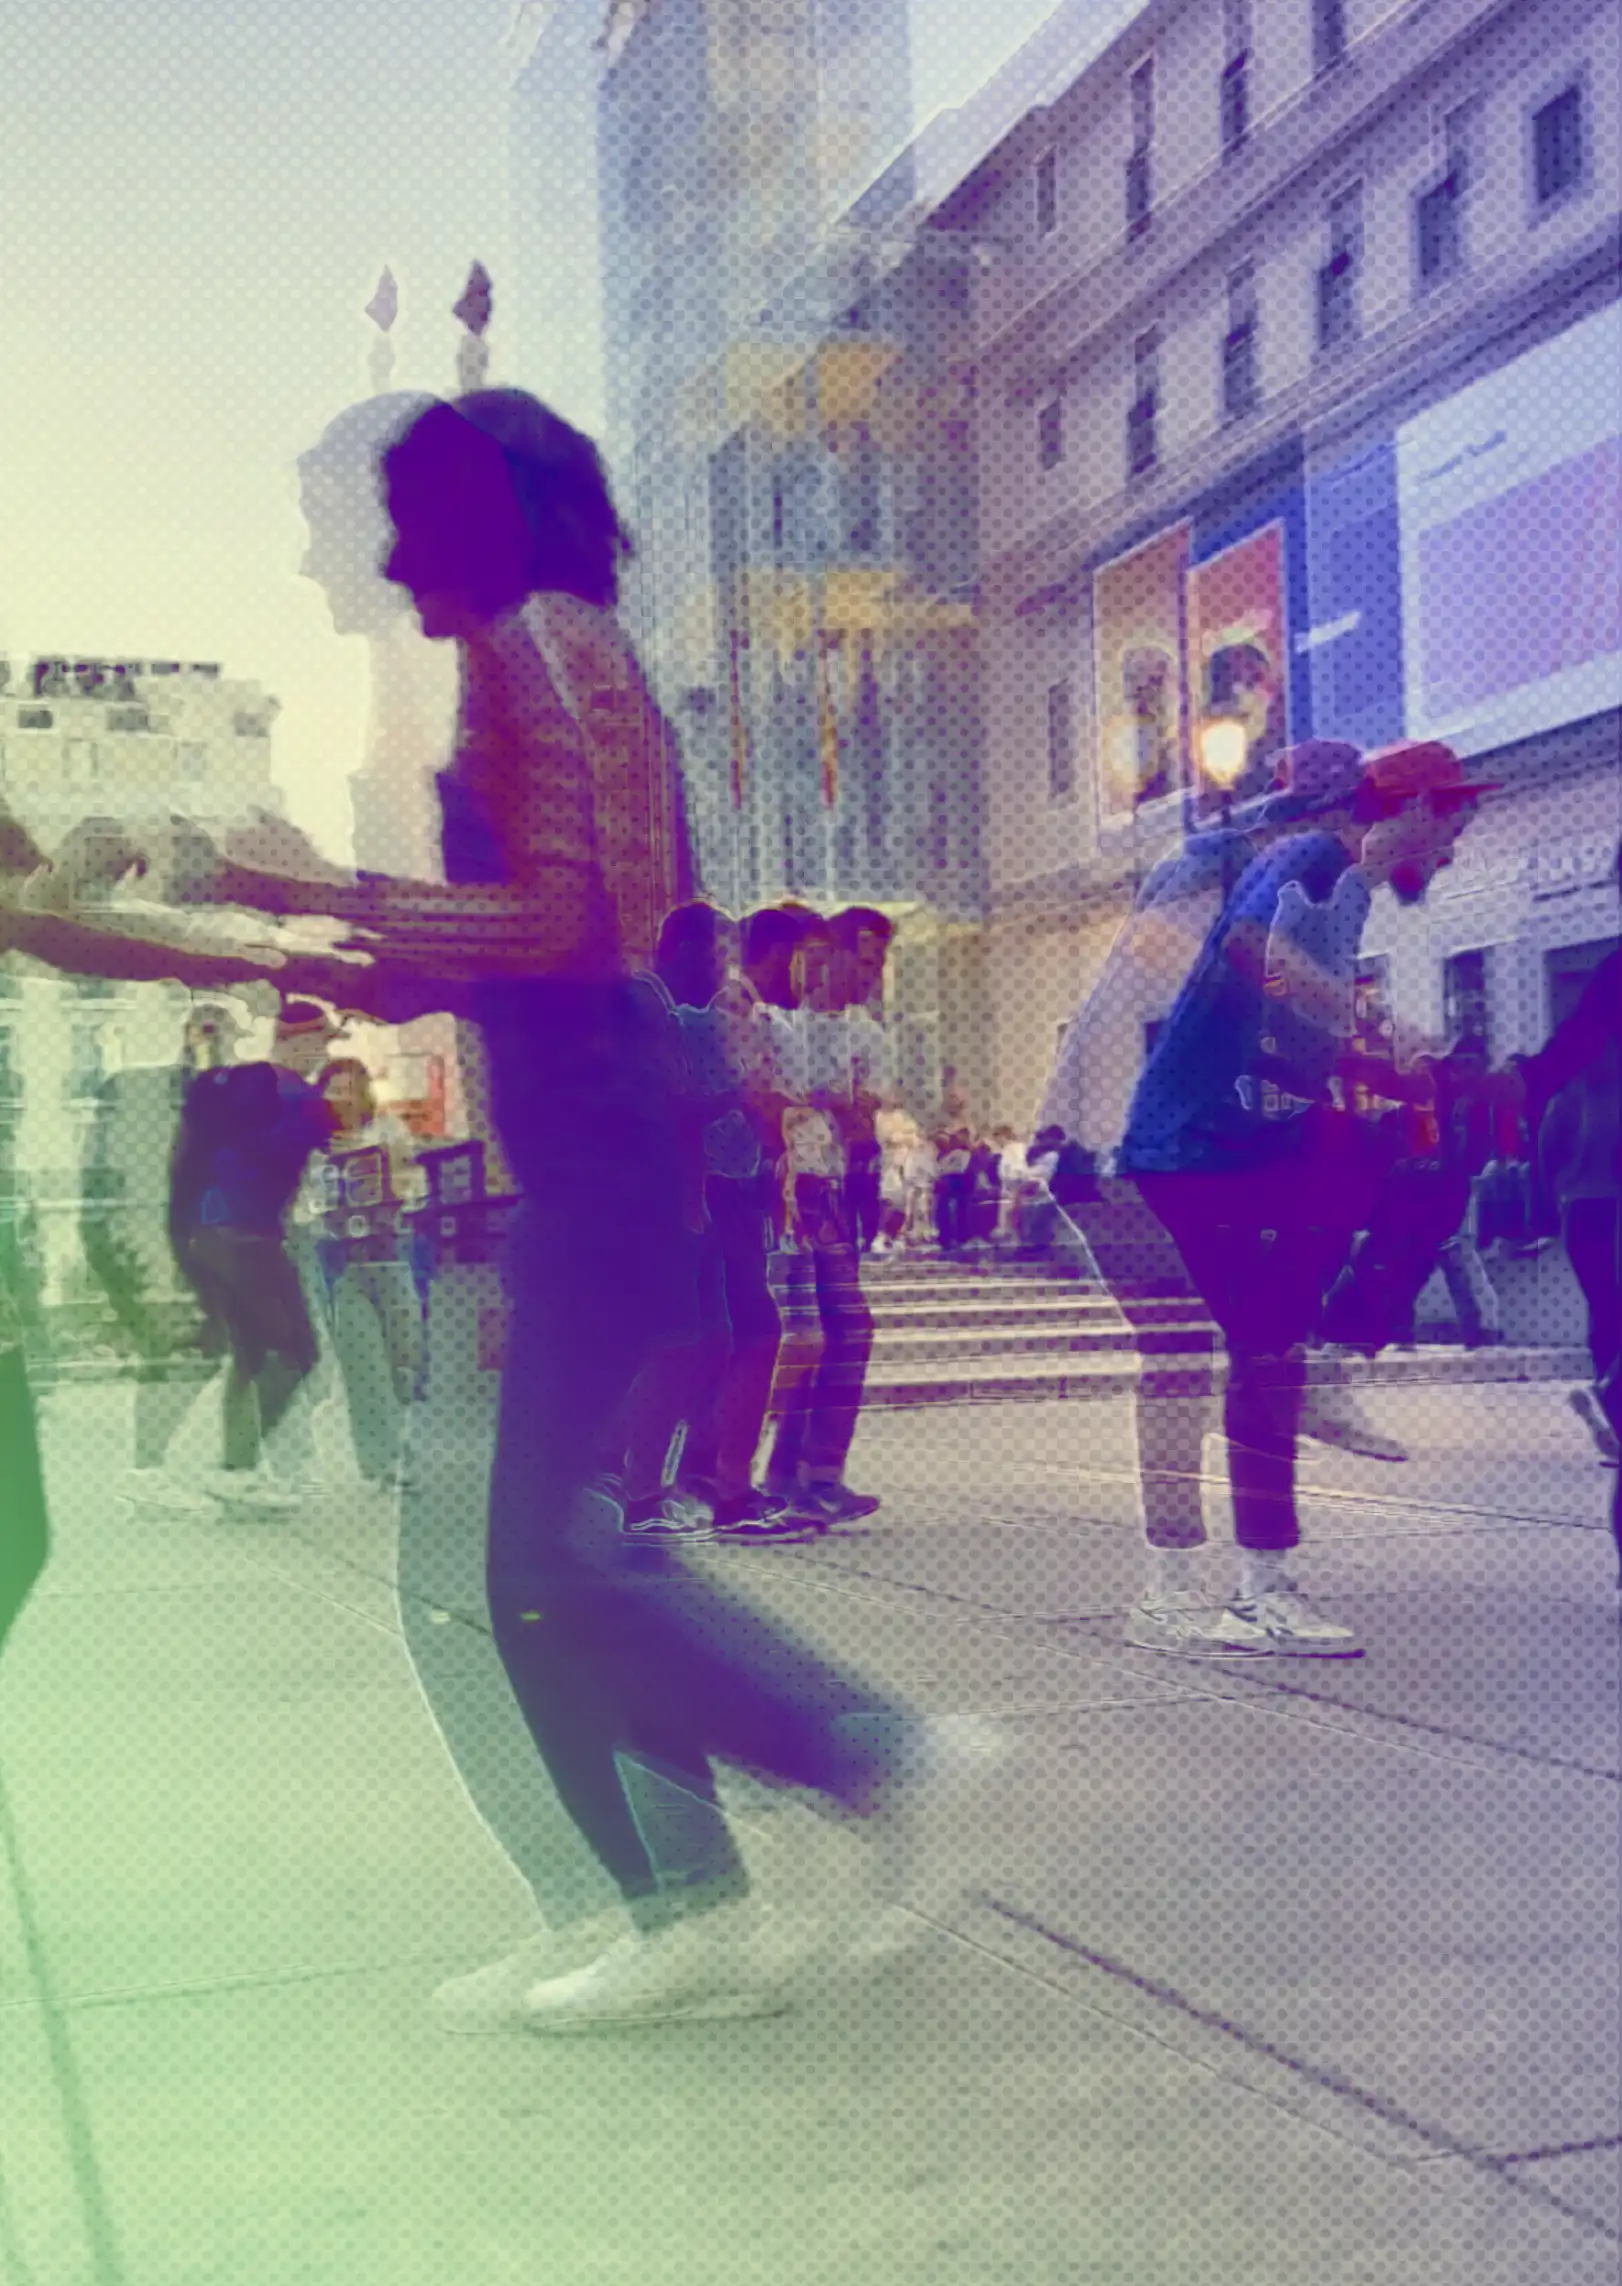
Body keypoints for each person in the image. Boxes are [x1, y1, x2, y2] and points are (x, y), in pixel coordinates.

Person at [165, 389, 937, 2027]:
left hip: (600, 1157)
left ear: (468, 516)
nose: (363, 557)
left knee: (535, 1560)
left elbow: (575, 923)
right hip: (579, 1152)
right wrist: (296, 943)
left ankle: (839, 1783)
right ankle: (663, 1898)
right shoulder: (533, 647)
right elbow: (514, 943)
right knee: (519, 1561)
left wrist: (320, 891)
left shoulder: (539, 640)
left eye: (382, 518)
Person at [1115, 739, 1494, 1657]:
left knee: (1273, 1340)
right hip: (1194, 1149)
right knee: (1266, 1349)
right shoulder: (1315, 857)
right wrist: (1337, 1005)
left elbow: (1291, 1018)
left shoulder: (1349, 889)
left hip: (1244, 1145)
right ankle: (1323, 1362)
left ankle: (1257, 1580)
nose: (1449, 854)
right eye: (1450, 830)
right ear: (1411, 807)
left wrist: (1386, 1064)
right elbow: (1255, 954)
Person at [167, 1001, 340, 1510]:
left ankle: (235, 1473)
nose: (324, 1053)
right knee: (297, 1350)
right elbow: (331, 1144)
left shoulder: (243, 1087)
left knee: (250, 1353)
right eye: (322, 1042)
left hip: (210, 1230)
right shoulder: (297, 1096)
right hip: (246, 1236)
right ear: (298, 1040)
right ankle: (234, 1465)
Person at [1512, 856, 1620, 1580]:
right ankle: (1611, 1393)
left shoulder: (1601, 1007)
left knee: (1608, 1332)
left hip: (1589, 1214)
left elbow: (1548, 1135)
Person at [309, 1056, 426, 1489]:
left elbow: (416, 1185)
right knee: (364, 1366)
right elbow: (303, 1205)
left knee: (404, 1354)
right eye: (332, 1088)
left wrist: (394, 1166)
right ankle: (384, 1462)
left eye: (347, 1088)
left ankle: (403, 1447)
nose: (339, 1097)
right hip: (341, 1260)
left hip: (393, 1252)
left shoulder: (388, 1130)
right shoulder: (313, 1144)